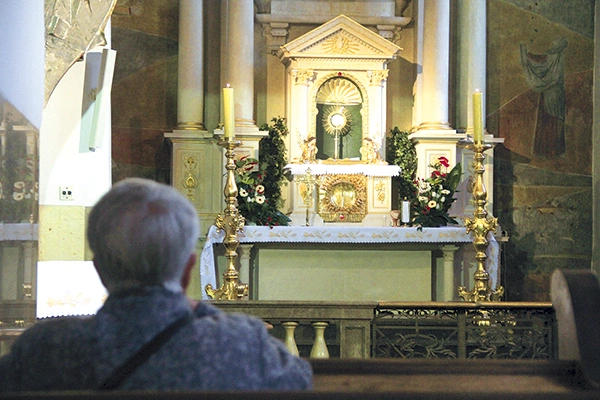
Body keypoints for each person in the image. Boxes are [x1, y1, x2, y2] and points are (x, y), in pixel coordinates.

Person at [0, 178, 313, 392]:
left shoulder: (44, 349)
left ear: (99, 269)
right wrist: (200, 309)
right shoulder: (241, 343)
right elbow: (300, 382)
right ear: (188, 270)